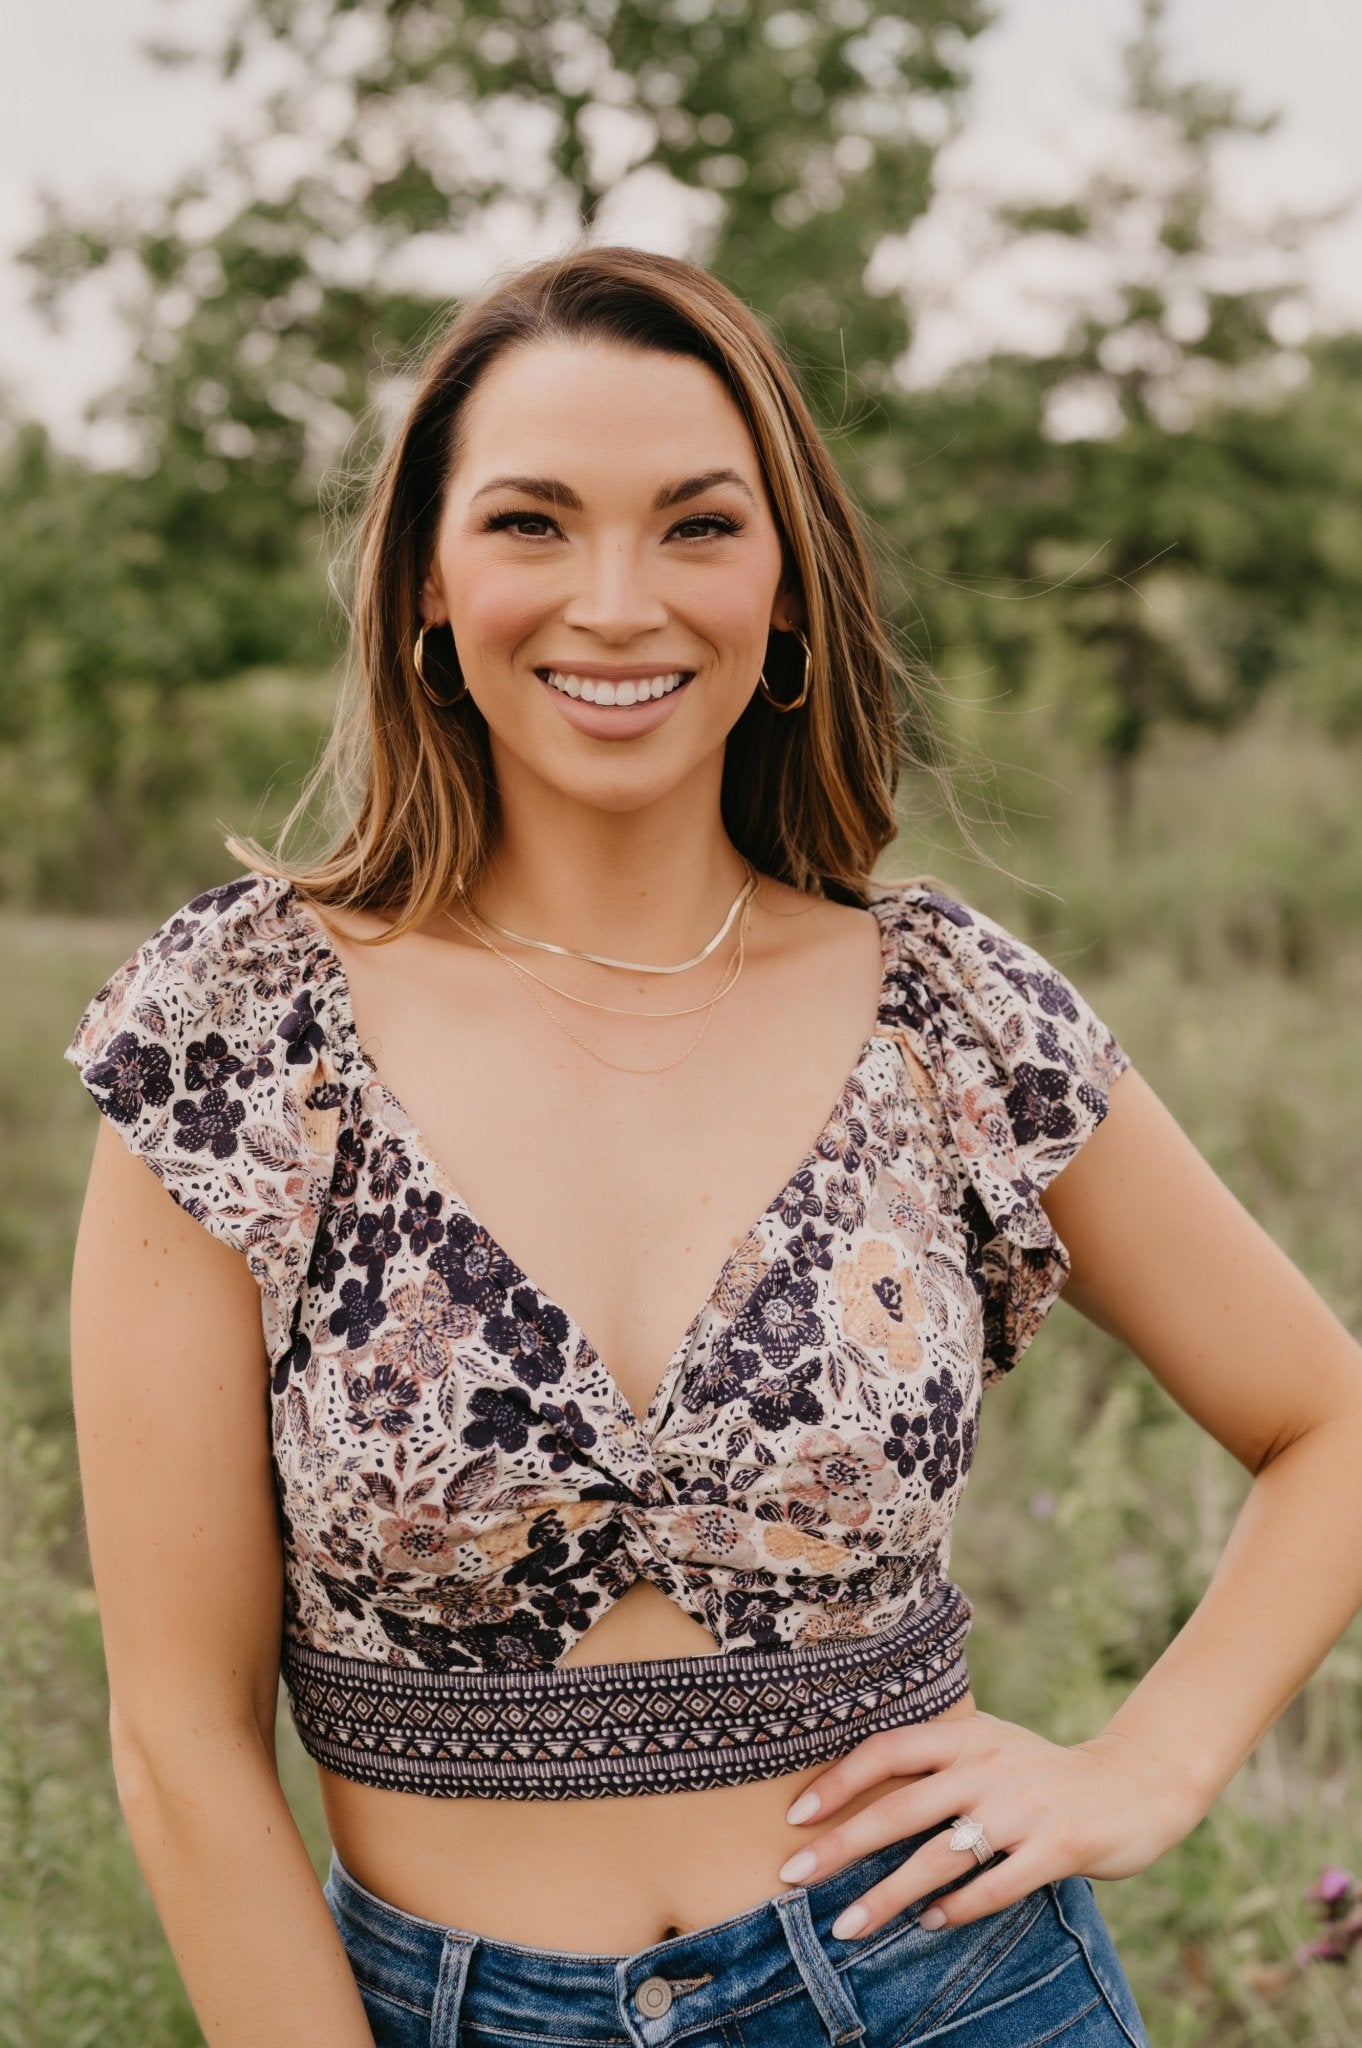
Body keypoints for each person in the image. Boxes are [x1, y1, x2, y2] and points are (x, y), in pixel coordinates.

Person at [63, 244, 1362, 2048]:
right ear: (426, 586)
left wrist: (1147, 1765)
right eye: (530, 523)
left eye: (694, 525)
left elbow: (1331, 1421)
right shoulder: (244, 1032)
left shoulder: (943, 1013)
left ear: (785, 592)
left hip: (957, 1990)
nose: (615, 601)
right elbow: (180, 1745)